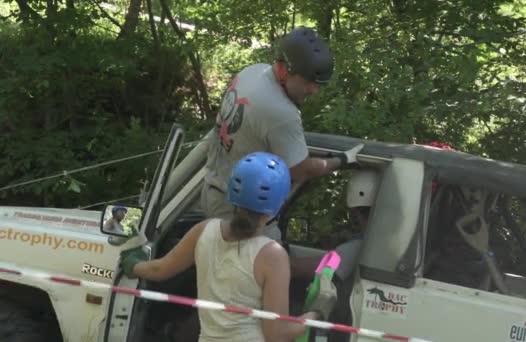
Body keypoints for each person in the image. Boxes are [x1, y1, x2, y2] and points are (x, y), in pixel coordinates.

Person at [120, 152, 337, 342]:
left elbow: (159, 270)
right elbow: (276, 335)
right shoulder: (272, 255)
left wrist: (133, 264)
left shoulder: (204, 230)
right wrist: (317, 314)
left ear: (232, 191)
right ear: (278, 203)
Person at [197, 26, 363, 225]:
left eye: (319, 84)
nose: (314, 90)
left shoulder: (253, 72)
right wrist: (343, 160)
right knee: (270, 255)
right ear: (285, 70)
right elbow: (301, 171)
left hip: (213, 191)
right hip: (240, 214)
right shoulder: (281, 112)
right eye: (309, 81)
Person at [290, 169, 380, 342]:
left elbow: (299, 268)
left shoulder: (358, 247)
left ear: (357, 213)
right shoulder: (371, 244)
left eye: (355, 215)